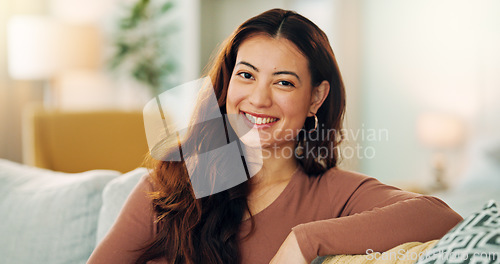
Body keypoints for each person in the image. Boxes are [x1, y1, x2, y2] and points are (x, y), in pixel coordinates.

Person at [88, 8, 462, 264]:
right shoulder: (174, 184)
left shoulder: (335, 193)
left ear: (316, 97)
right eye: (246, 75)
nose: (258, 98)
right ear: (227, 83)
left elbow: (440, 217)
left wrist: (306, 240)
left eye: (283, 82)